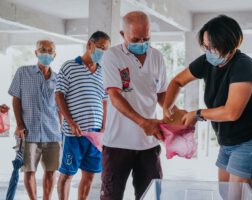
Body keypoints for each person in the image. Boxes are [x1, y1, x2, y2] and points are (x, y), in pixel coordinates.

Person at [163, 15, 252, 194]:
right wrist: (167, 109)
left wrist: (196, 114)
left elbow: (231, 112)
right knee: (224, 193)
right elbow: (177, 81)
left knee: (237, 197)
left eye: (212, 47)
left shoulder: (243, 65)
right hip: (228, 141)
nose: (207, 51)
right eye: (205, 46)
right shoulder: (207, 61)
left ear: (228, 45)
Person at [100, 11, 167, 200]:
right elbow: (114, 96)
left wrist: (173, 112)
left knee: (151, 195)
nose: (142, 43)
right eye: (136, 39)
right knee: (111, 196)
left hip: (148, 144)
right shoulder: (112, 56)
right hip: (117, 144)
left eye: (146, 38)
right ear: (122, 35)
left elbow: (161, 93)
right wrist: (143, 122)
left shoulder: (157, 56)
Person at [56, 31, 110, 200]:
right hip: (74, 133)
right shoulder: (69, 66)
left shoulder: (104, 71)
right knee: (67, 174)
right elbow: (59, 95)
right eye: (100, 47)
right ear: (89, 45)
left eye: (105, 49)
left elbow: (105, 100)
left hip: (95, 135)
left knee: (90, 175)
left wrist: (104, 126)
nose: (102, 52)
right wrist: (70, 122)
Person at [8, 39, 61, 200]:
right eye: (42, 49)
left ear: (54, 54)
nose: (46, 53)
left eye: (49, 50)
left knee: (51, 171)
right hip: (28, 132)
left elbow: (59, 108)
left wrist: (62, 130)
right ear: (36, 53)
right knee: (29, 170)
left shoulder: (58, 79)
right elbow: (16, 99)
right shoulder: (23, 72)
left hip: (52, 134)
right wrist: (19, 124)